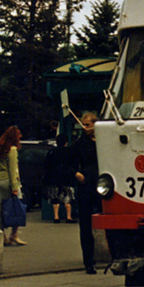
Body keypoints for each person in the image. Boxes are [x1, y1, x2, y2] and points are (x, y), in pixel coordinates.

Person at [70, 112, 99, 274]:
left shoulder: (103, 141)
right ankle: (89, 261)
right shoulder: (80, 143)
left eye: (87, 125)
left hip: (102, 184)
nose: (84, 127)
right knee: (86, 225)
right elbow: (69, 164)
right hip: (87, 184)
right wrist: (76, 174)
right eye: (83, 124)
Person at [43, 134, 75, 224]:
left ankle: (56, 216)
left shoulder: (52, 152)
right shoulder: (69, 151)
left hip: (54, 177)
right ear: (66, 142)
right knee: (68, 196)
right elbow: (73, 164)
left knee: (55, 197)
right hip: (67, 176)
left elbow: (47, 165)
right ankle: (69, 217)